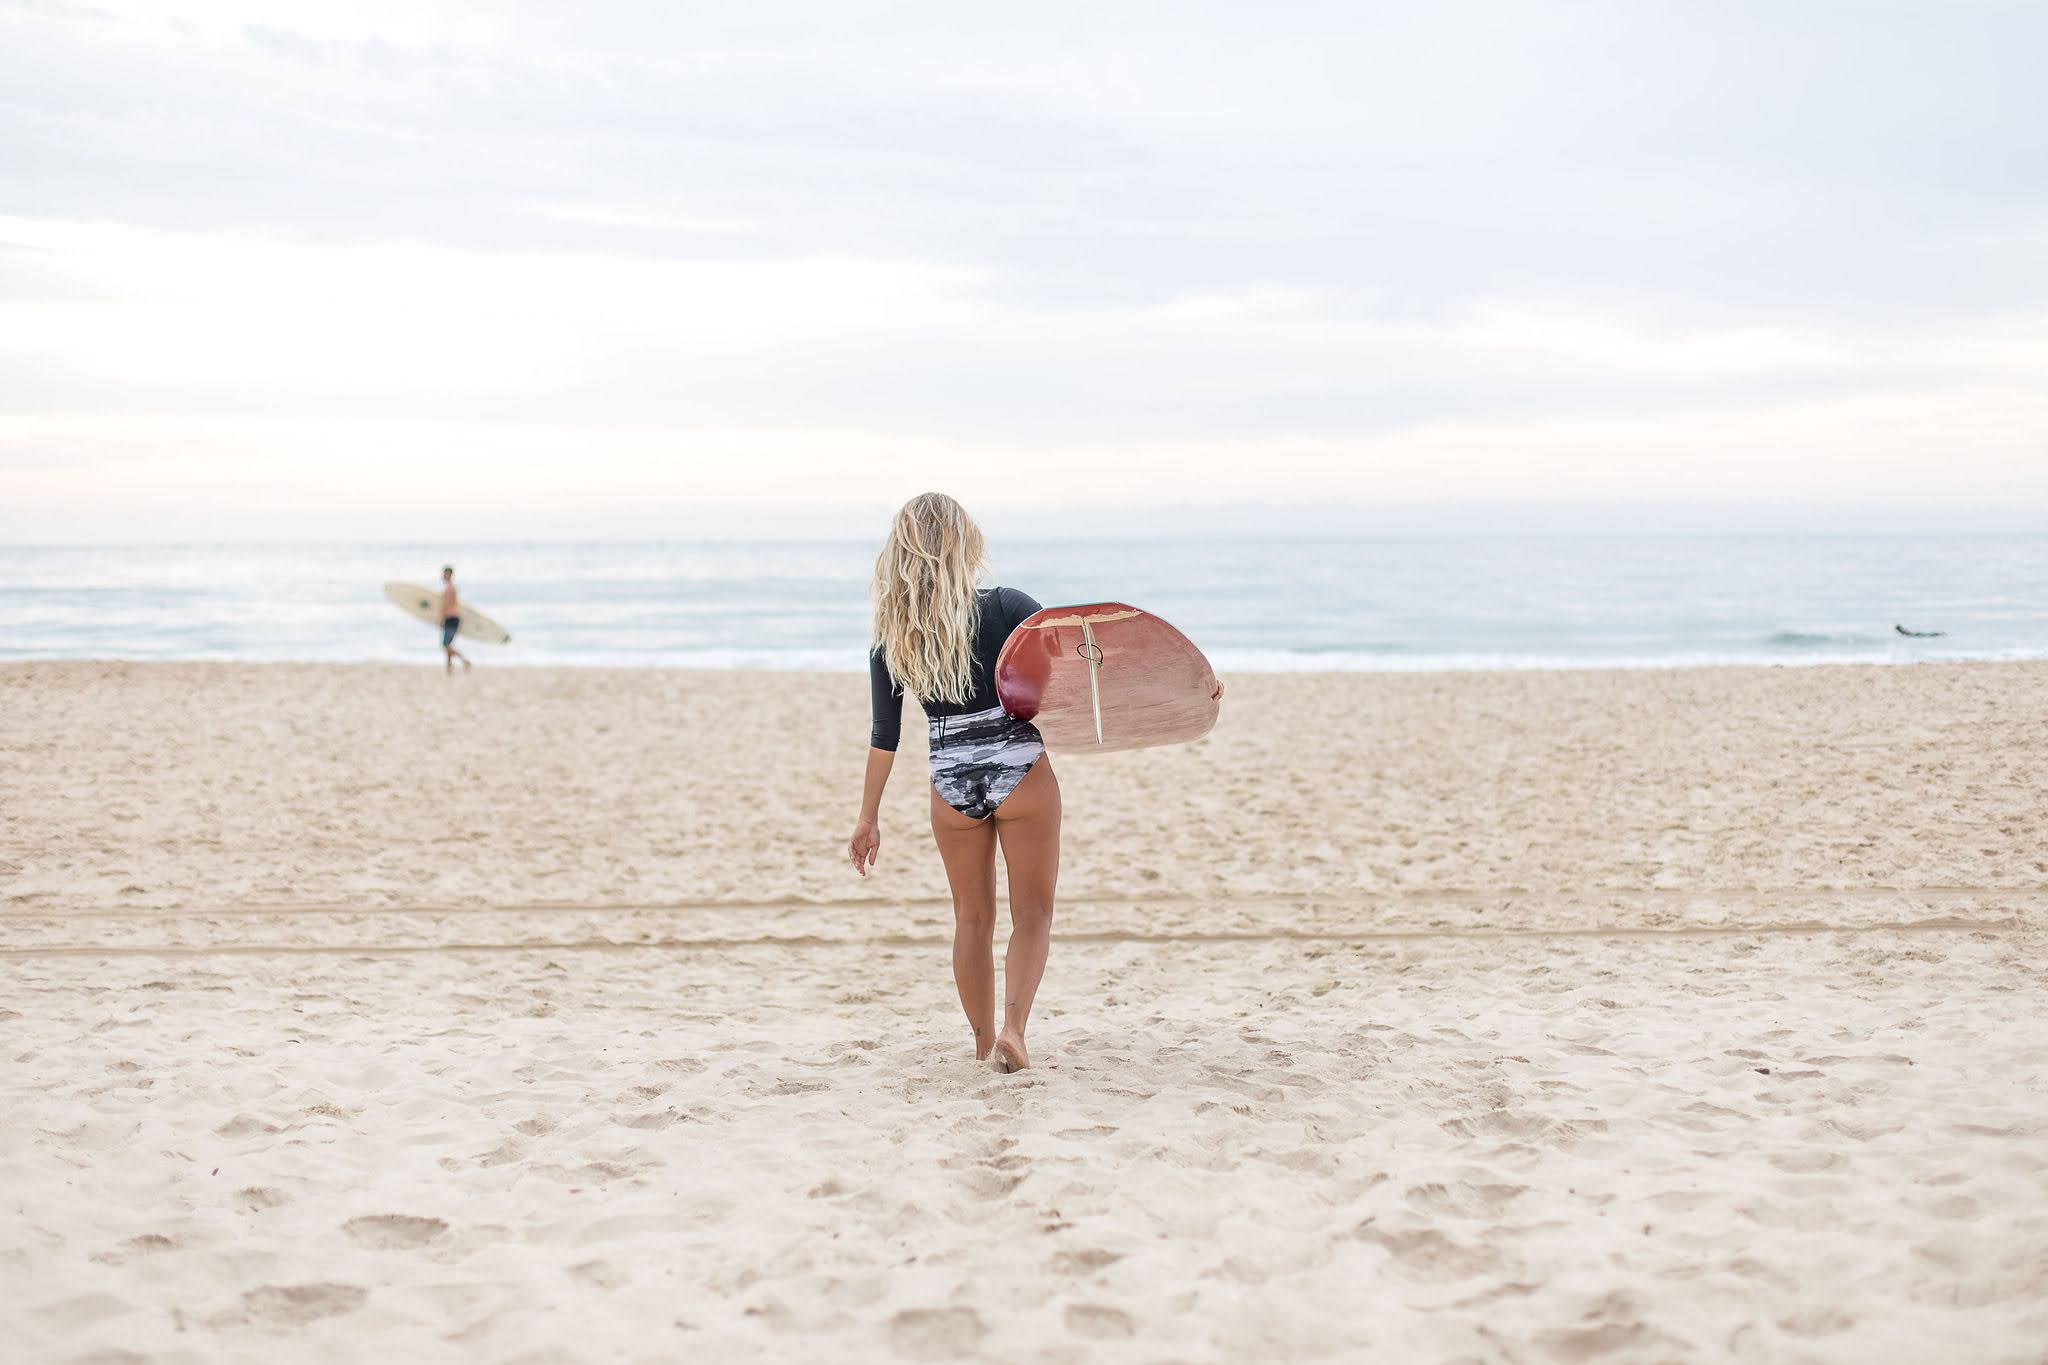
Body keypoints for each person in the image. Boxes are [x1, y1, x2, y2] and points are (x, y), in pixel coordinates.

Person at [848, 493, 1057, 1073]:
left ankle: (981, 1043)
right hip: (1019, 771)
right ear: (964, 543)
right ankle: (1015, 1030)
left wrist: (868, 818)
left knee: (971, 918)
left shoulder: (894, 639)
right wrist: (1179, 695)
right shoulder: (1009, 607)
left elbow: (883, 735)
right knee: (1033, 914)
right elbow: (1077, 676)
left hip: (951, 782)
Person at [439, 565, 472, 674]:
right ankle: (449, 668)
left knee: (445, 645)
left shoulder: (449, 589)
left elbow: (446, 605)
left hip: (450, 618)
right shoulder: (452, 588)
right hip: (453, 618)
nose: (443, 575)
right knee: (448, 644)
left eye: (445, 573)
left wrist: (441, 618)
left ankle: (464, 660)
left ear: (450, 575)